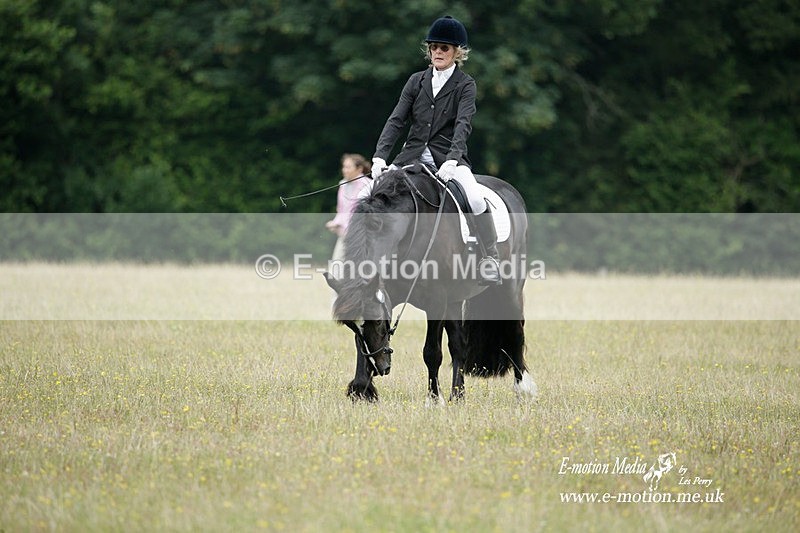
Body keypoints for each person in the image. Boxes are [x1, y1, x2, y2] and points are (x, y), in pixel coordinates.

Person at [370, 15, 501, 285]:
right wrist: (379, 157)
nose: (438, 52)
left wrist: (452, 160)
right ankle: (362, 257)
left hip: (448, 160)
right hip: (411, 157)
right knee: (369, 193)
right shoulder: (415, 81)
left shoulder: (465, 84)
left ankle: (490, 257)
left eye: (444, 48)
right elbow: (396, 120)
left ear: (457, 52)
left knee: (476, 200)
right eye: (434, 47)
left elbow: (463, 125)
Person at [326, 153, 371, 261]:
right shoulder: (342, 185)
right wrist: (336, 222)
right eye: (344, 167)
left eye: (348, 167)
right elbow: (341, 210)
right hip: (345, 234)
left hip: (362, 236)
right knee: (336, 265)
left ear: (359, 169)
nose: (344, 170)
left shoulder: (368, 185)